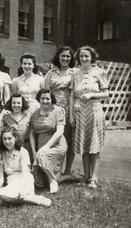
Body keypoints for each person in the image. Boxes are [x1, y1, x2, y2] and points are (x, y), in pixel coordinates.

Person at [70, 46, 109, 188]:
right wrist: (71, 116)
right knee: (84, 144)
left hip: (95, 111)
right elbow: (72, 96)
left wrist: (92, 95)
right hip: (80, 112)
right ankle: (86, 176)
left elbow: (106, 94)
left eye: (87, 56)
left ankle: (94, 178)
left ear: (92, 57)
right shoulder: (75, 73)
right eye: (81, 56)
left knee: (95, 143)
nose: (84, 59)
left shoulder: (99, 72)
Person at [0, 127, 51, 207]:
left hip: (24, 180)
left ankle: (38, 201)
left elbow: (25, 173)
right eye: (4, 139)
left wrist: (21, 189)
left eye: (9, 138)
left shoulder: (23, 152)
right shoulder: (3, 153)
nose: (7, 141)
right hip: (12, 181)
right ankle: (29, 199)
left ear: (15, 138)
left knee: (3, 196)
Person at [45, 46, 77, 180]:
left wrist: (72, 114)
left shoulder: (75, 73)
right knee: (55, 140)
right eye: (63, 56)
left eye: (68, 56)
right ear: (58, 57)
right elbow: (46, 92)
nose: (65, 58)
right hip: (54, 109)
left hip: (70, 110)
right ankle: (54, 170)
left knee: (70, 141)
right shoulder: (51, 73)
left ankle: (68, 170)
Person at [30, 89, 68, 193]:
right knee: (41, 181)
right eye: (43, 98)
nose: (45, 101)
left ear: (52, 100)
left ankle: (53, 182)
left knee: (41, 157)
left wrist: (47, 146)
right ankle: (69, 177)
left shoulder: (58, 110)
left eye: (48, 98)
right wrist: (33, 151)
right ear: (39, 99)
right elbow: (32, 134)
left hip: (56, 144)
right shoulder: (34, 114)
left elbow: (60, 131)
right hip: (41, 146)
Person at [3, 93, 32, 162]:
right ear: (10, 104)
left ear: (22, 104)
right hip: (11, 148)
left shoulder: (28, 117)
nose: (16, 105)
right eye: (14, 103)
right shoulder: (6, 117)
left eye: (18, 103)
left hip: (26, 146)